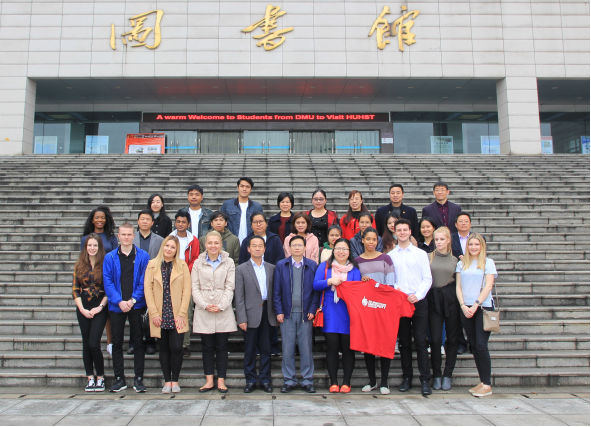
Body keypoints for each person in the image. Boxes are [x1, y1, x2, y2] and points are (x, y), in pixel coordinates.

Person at [103, 223, 150, 393]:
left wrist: (133, 300)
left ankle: (139, 379)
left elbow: (144, 280)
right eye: (123, 234)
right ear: (118, 236)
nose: (126, 237)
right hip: (117, 306)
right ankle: (119, 379)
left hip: (136, 305)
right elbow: (108, 282)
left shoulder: (143, 256)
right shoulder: (110, 257)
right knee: (117, 343)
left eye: (129, 234)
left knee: (138, 342)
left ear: (133, 236)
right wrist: (119, 301)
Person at [388, 219, 433, 396]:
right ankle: (407, 377)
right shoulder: (391, 255)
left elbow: (427, 278)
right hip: (400, 302)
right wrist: (396, 289)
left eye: (405, 230)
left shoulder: (420, 254)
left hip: (418, 301)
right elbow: (390, 279)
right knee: (404, 342)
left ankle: (425, 380)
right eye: (399, 230)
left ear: (410, 231)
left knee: (421, 341)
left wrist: (418, 295)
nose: (402, 233)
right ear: (395, 233)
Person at [144, 236, 192, 394]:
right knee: (163, 348)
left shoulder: (182, 265)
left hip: (177, 313)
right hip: (160, 313)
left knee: (177, 347)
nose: (169, 249)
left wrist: (182, 313)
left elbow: (187, 290)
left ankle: (175, 380)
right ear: (162, 246)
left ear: (176, 250)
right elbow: (148, 290)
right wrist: (153, 313)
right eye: (167, 246)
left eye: (172, 247)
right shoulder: (152, 265)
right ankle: (167, 381)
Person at [191, 231, 237, 394]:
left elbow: (230, 286)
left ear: (221, 244)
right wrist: (204, 304)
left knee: (222, 346)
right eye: (210, 243)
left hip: (222, 309)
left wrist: (222, 305)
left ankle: (221, 381)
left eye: (216, 243)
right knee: (207, 346)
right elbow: (194, 287)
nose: (213, 246)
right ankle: (209, 380)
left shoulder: (229, 262)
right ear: (205, 244)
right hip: (204, 309)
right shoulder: (198, 263)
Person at [313, 238, 361, 394]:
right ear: (333, 250)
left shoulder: (354, 269)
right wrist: (329, 281)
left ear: (349, 252)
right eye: (338, 248)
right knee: (332, 347)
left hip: (348, 311)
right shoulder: (324, 266)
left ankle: (346, 382)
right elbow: (316, 284)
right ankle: (334, 382)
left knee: (348, 348)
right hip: (330, 311)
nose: (341, 252)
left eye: (344, 249)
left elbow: (358, 290)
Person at [273, 235, 319, 394]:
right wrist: (279, 311)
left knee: (306, 348)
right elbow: (276, 291)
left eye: (300, 245)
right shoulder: (281, 265)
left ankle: (307, 380)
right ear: (289, 247)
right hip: (287, 313)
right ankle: (289, 380)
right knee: (287, 348)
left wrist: (312, 309)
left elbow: (316, 291)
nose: (297, 248)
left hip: (306, 314)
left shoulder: (312, 265)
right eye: (294, 245)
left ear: (305, 247)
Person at [355, 227, 396, 395]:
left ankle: (384, 382)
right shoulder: (357, 260)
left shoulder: (386, 258)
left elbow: (390, 284)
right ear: (362, 240)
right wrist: (362, 281)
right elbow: (355, 284)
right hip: (366, 308)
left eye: (374, 239)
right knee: (369, 344)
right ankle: (372, 381)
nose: (371, 242)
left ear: (377, 241)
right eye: (368, 239)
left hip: (384, 307)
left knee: (384, 343)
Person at [456, 233, 498, 397]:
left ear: (482, 246)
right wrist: (463, 305)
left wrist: (475, 305)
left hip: (483, 307)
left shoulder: (488, 262)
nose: (473, 247)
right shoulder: (461, 263)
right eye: (471, 244)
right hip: (465, 308)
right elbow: (458, 287)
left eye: (477, 244)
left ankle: (487, 384)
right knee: (473, 345)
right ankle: (482, 381)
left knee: (481, 345)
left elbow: (488, 286)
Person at [235, 236, 277, 394]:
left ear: (265, 249)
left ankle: (265, 379)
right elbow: (239, 296)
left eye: (260, 246)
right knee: (250, 349)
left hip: (268, 312)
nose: (257, 248)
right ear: (248, 249)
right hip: (250, 313)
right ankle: (251, 379)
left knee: (266, 349)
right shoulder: (241, 269)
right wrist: (241, 317)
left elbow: (276, 293)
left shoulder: (272, 268)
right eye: (254, 246)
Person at [73, 233, 108, 393]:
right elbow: (75, 290)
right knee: (86, 344)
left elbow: (109, 289)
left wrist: (100, 307)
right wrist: (82, 309)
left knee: (94, 343)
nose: (92, 248)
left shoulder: (105, 263)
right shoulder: (79, 265)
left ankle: (100, 376)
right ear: (85, 247)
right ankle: (90, 377)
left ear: (99, 247)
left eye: (95, 245)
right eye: (89, 245)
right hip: (83, 307)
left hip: (100, 307)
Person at [80, 206, 117, 355]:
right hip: (91, 279)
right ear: (92, 220)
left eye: (102, 217)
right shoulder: (85, 238)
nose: (100, 220)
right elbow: (83, 258)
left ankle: (110, 342)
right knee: (94, 311)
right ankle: (95, 342)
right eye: (97, 217)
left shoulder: (111, 237)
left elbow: (115, 257)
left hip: (107, 276)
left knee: (107, 313)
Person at [427, 227, 460, 392]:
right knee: (435, 339)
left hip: (451, 300)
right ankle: (437, 374)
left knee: (452, 339)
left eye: (442, 239)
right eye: (436, 239)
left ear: (448, 240)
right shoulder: (428, 257)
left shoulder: (455, 260)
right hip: (433, 301)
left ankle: (448, 374)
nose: (439, 242)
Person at [131, 210, 164, 355]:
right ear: (138, 222)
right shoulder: (131, 238)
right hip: (134, 280)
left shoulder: (160, 240)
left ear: (152, 222)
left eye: (147, 219)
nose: (144, 221)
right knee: (134, 314)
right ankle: (134, 343)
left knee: (151, 310)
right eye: (142, 219)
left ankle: (150, 342)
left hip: (154, 280)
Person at [170, 210, 201, 357]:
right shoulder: (169, 239)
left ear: (189, 224)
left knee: (186, 312)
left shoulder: (193, 240)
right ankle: (171, 342)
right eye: (178, 221)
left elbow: (195, 259)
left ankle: (184, 344)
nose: (180, 224)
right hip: (170, 279)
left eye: (183, 222)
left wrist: (184, 271)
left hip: (187, 279)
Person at [451, 212, 476, 355]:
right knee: (457, 314)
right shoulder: (451, 238)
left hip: (473, 280)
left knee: (473, 313)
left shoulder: (477, 238)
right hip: (456, 278)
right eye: (460, 221)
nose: (463, 223)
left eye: (466, 221)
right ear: (456, 224)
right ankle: (461, 343)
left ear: (470, 224)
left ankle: (473, 342)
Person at [221, 177, 264, 244]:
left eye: (247, 187)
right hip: (231, 243)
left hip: (251, 243)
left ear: (251, 189)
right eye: (242, 186)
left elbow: (261, 226)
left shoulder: (257, 207)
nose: (244, 189)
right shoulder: (227, 205)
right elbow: (221, 223)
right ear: (238, 187)